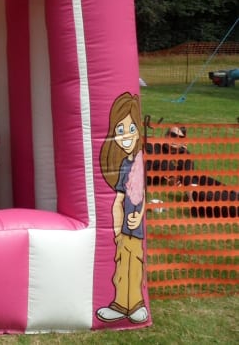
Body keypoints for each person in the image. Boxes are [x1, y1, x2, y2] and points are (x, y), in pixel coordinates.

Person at [96, 92, 148, 324]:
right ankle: (119, 304)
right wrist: (117, 229)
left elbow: (142, 195)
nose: (126, 135)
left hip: (135, 229)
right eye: (120, 130)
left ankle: (135, 304)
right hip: (124, 230)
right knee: (121, 264)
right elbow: (118, 200)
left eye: (131, 129)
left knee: (134, 263)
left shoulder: (138, 162)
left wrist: (139, 216)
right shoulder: (125, 166)